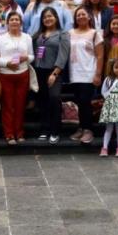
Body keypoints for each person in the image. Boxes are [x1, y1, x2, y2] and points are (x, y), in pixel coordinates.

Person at [0, 12, 34, 145]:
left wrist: (26, 58)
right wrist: (7, 64)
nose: (15, 22)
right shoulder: (1, 38)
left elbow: (32, 55)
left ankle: (20, 133)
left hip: (22, 74)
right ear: (7, 22)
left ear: (21, 23)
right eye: (12, 19)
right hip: (5, 75)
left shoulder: (27, 37)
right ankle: (9, 134)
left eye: (17, 19)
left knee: (20, 105)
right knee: (8, 105)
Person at [32, 8, 70, 145]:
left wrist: (55, 73)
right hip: (39, 70)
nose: (47, 19)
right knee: (42, 100)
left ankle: (55, 131)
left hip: (54, 71)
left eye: (50, 16)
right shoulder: (38, 34)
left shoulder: (62, 34)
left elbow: (63, 55)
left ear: (56, 18)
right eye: (45, 17)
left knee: (54, 98)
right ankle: (44, 129)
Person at [68, 6, 104, 145]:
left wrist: (98, 74)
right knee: (78, 102)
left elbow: (100, 55)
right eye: (78, 15)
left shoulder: (95, 33)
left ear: (89, 17)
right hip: (74, 73)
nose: (81, 17)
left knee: (85, 102)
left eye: (83, 14)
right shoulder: (70, 33)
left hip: (88, 72)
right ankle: (81, 127)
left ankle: (88, 129)